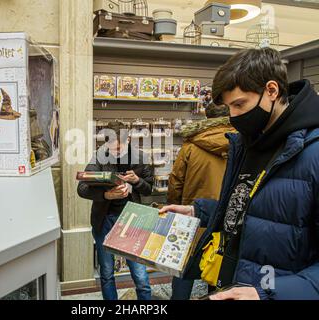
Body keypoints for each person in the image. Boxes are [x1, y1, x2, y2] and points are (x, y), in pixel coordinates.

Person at [161, 47, 319, 300]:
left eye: (239, 104)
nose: (233, 116)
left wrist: (267, 294)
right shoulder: (249, 143)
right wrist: (198, 211)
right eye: (229, 107)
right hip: (232, 283)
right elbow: (252, 212)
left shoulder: (313, 151)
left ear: (271, 90)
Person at [77, 120, 153, 300]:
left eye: (120, 147)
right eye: (112, 148)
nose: (116, 151)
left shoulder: (140, 158)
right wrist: (106, 196)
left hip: (132, 220)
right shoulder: (99, 157)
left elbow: (150, 188)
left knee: (141, 276)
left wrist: (136, 182)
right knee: (107, 272)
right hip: (105, 220)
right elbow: (82, 189)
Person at [168, 103, 235, 300]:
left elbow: (175, 182)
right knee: (218, 272)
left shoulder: (190, 146)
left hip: (192, 218)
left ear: (206, 117)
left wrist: (175, 210)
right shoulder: (243, 143)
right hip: (226, 220)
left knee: (183, 271)